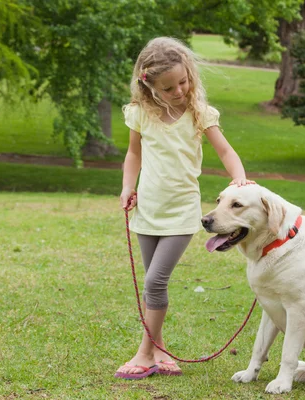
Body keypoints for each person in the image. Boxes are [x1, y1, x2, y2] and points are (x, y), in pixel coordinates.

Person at [115, 37, 254, 380]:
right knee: (151, 285)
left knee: (156, 281)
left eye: (183, 81)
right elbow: (134, 154)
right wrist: (127, 187)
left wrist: (239, 179)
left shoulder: (199, 114)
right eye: (169, 87)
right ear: (150, 86)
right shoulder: (140, 114)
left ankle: (144, 353)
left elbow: (225, 151)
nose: (179, 90)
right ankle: (160, 349)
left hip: (181, 212)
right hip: (148, 209)